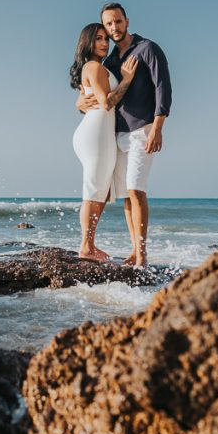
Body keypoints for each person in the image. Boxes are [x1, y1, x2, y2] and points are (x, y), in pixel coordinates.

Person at [77, 2, 172, 266]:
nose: (113, 28)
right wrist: (79, 102)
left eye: (117, 22)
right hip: (116, 135)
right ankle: (133, 250)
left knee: (136, 190)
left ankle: (141, 255)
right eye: (108, 25)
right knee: (126, 195)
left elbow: (163, 88)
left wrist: (158, 127)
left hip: (143, 129)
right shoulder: (110, 61)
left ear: (126, 21)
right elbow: (96, 93)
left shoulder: (148, 49)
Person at [70, 23, 139, 260]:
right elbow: (107, 102)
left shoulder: (96, 67)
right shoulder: (93, 66)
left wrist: (80, 101)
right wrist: (127, 80)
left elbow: (88, 98)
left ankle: (89, 244)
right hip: (96, 132)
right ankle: (86, 246)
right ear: (87, 42)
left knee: (100, 188)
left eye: (105, 39)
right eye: (98, 38)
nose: (104, 43)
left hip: (98, 130)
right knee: (94, 188)